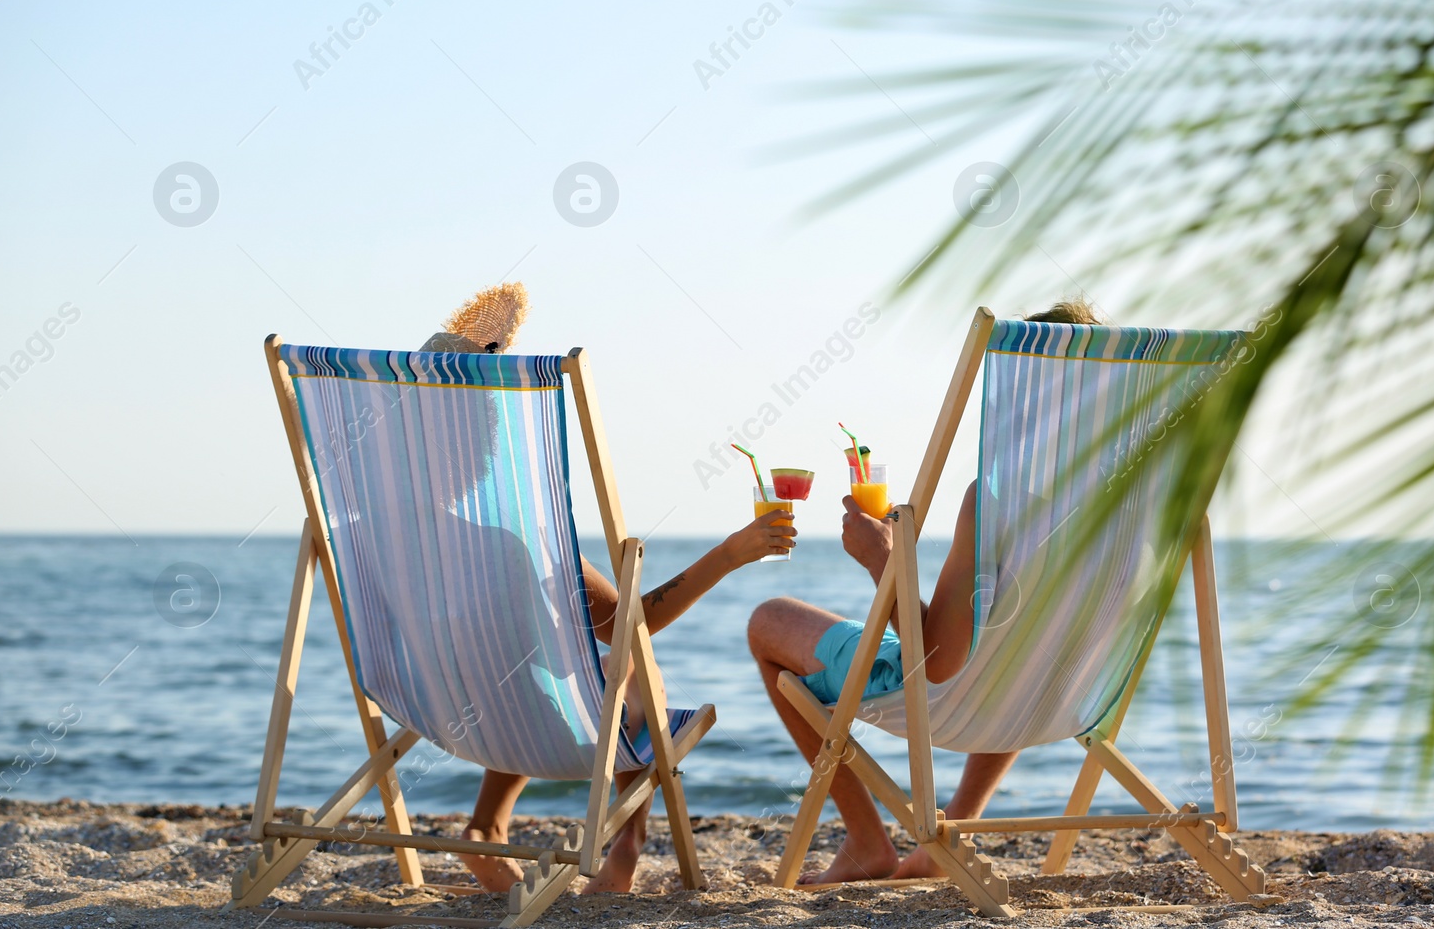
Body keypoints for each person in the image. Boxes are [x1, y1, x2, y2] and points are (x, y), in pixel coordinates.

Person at [417, 283, 799, 894]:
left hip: (424, 703)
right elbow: (630, 622)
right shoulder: (515, 542)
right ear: (488, 448)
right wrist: (729, 555)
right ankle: (627, 845)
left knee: (509, 664)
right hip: (530, 722)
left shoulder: (361, 534)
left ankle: (487, 827)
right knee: (634, 667)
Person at [747, 300, 1099, 883]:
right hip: (1063, 695)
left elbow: (935, 662)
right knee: (1017, 642)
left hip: (965, 696)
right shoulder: (1142, 507)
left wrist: (883, 562)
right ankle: (952, 829)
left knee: (769, 620)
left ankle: (866, 844)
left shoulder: (996, 500)